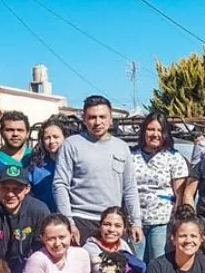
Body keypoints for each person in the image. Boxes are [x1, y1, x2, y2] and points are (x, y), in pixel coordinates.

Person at [53, 95, 143, 246]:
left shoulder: (122, 147)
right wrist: (69, 222)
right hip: (80, 221)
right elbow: (60, 185)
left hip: (112, 223)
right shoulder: (72, 144)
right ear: (84, 119)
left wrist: (136, 222)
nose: (97, 122)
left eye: (102, 117)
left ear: (111, 119)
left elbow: (130, 188)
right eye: (92, 117)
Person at [131, 112, 189, 262]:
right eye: (151, 129)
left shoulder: (174, 158)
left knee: (159, 263)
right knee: (135, 265)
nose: (155, 134)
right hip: (135, 221)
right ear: (144, 131)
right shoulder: (130, 156)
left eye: (160, 130)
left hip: (162, 222)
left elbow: (180, 195)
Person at [29, 115, 71, 212]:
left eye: (56, 137)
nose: (51, 141)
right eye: (47, 138)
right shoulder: (36, 167)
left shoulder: (75, 164)